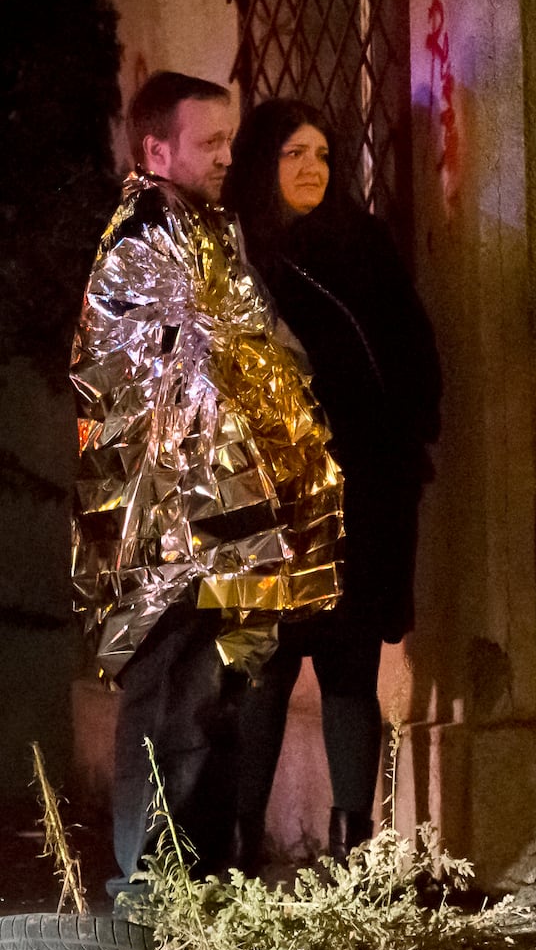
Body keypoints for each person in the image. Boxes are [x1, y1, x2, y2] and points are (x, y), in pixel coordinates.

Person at [70, 72, 343, 892]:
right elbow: (209, 364)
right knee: (174, 709)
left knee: (219, 704)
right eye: (211, 143)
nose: (230, 156)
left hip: (225, 521)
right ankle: (156, 888)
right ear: (158, 150)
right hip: (173, 531)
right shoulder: (144, 241)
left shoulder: (205, 230)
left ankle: (209, 876)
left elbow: (263, 341)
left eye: (229, 140)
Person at [222, 99, 442, 867]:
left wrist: (402, 441)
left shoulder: (363, 242)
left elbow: (413, 351)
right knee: (265, 671)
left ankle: (356, 853)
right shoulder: (236, 254)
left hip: (365, 494)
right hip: (271, 504)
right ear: (260, 163)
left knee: (350, 666)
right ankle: (241, 849)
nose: (312, 167)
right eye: (293, 153)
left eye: (321, 151)